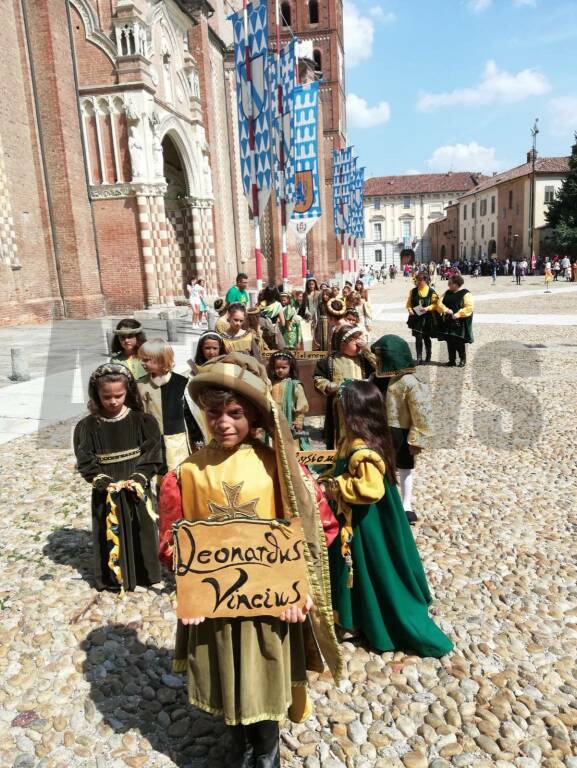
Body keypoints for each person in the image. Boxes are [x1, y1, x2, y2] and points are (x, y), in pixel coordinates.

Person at [167, 354, 342, 768]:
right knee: (224, 670)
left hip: (270, 604)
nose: (223, 422)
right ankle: (238, 741)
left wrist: (297, 586)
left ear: (255, 417)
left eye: (235, 413)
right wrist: (188, 586)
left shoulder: (280, 467)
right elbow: (174, 539)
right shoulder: (187, 473)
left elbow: (319, 526)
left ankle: (267, 748)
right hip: (215, 601)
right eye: (214, 413)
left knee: (263, 672)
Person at [321, 380, 452, 657]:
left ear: (353, 413)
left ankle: (370, 620)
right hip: (367, 519)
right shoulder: (357, 441)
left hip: (367, 523)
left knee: (369, 567)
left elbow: (369, 489)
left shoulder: (362, 449)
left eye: (342, 410)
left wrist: (332, 487)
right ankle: (355, 616)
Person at [73, 363, 163, 592]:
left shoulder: (142, 421)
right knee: (109, 531)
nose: (113, 401)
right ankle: (114, 578)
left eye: (118, 396)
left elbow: (153, 451)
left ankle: (146, 574)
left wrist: (140, 477)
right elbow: (85, 458)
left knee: (142, 529)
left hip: (135, 485)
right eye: (106, 397)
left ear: (128, 392)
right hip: (107, 489)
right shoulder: (87, 426)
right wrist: (101, 480)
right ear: (97, 395)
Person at [371, 335, 434, 525]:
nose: (377, 360)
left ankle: (406, 504)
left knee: (405, 468)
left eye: (381, 357)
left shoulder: (410, 382)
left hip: (401, 430)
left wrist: (417, 439)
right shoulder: (377, 376)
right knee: (379, 465)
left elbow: (422, 412)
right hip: (378, 428)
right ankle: (383, 500)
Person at [314, 324, 375, 449]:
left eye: (360, 338)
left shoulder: (364, 359)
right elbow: (318, 378)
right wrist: (327, 385)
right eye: (354, 339)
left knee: (362, 434)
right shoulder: (330, 361)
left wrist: (366, 350)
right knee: (342, 435)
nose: (359, 342)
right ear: (343, 342)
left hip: (362, 403)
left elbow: (378, 367)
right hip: (340, 406)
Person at [137, 339, 193, 471]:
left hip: (177, 439)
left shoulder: (182, 383)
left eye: (146, 360)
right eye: (142, 359)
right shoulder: (140, 385)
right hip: (153, 439)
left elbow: (190, 413)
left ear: (161, 359)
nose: (142, 363)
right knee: (157, 475)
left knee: (177, 473)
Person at [267, 351, 310, 449]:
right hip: (276, 421)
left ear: (290, 368)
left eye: (284, 367)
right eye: (277, 367)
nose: (280, 370)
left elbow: (302, 404)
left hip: (290, 421)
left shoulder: (295, 385)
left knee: (292, 446)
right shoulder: (272, 384)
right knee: (277, 446)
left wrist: (298, 421)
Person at [438, 274, 474, 367]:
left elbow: (469, 307)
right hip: (448, 320)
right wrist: (446, 310)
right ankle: (452, 360)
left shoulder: (466, 293)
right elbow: (439, 303)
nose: (448, 285)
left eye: (450, 283)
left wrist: (458, 314)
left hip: (459, 322)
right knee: (449, 341)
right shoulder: (447, 292)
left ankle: (462, 359)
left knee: (458, 341)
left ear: (456, 284)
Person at [406, 273, 440, 365]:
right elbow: (409, 303)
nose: (418, 282)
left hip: (428, 318)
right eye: (417, 280)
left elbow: (436, 304)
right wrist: (409, 309)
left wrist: (427, 308)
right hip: (416, 317)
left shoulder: (431, 291)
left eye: (420, 280)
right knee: (418, 337)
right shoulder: (413, 291)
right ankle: (419, 357)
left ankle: (428, 355)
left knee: (426, 337)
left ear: (425, 280)